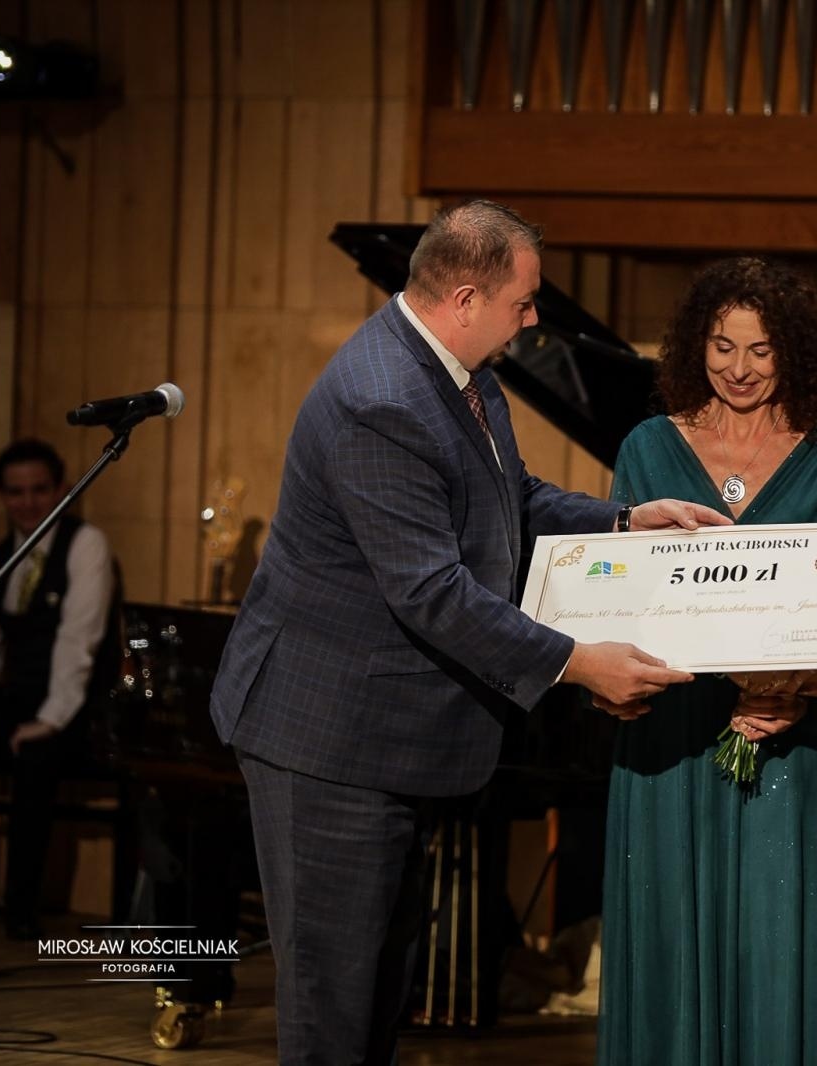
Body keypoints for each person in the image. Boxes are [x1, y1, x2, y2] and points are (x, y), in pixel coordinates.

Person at [207, 199, 730, 1066]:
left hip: (389, 736)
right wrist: (577, 662)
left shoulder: (462, 372)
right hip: (328, 740)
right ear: (462, 297)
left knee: (380, 988)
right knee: (334, 1007)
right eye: (523, 304)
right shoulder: (383, 400)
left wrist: (626, 521)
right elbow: (432, 593)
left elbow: (511, 499)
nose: (533, 321)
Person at [594, 257, 817, 1066]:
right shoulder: (647, 446)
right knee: (668, 938)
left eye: (760, 350)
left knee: (773, 946)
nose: (739, 370)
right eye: (722, 347)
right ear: (694, 346)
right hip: (663, 743)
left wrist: (805, 701)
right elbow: (615, 594)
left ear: (793, 353)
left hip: (782, 743)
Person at [0, 438, 119, 940]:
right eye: (16, 492)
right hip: (17, 695)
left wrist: (51, 718)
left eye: (40, 489)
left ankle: (20, 911)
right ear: (2, 495)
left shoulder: (86, 545)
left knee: (37, 753)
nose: (28, 502)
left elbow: (77, 644)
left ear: (61, 489)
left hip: (80, 704)